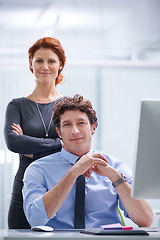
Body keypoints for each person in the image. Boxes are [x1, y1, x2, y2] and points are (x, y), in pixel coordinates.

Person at [22, 94, 153, 229]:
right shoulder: (38, 169)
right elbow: (35, 219)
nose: (75, 131)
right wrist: (73, 173)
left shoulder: (116, 167)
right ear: (59, 133)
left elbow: (146, 220)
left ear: (93, 127)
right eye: (67, 124)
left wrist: (114, 176)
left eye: (81, 123)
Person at [4, 37, 66, 229]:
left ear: (60, 65)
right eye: (39, 60)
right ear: (31, 64)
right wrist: (59, 144)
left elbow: (74, 145)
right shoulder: (17, 105)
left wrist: (30, 146)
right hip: (25, 185)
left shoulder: (68, 106)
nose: (45, 66)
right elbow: (13, 143)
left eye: (51, 61)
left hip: (61, 186)